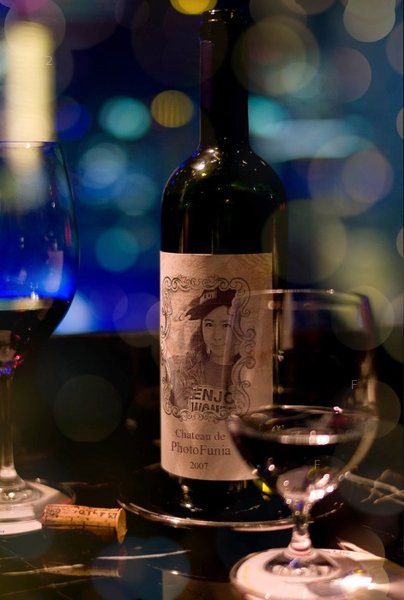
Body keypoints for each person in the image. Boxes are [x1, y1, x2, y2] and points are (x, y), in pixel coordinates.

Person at [169, 287, 240, 412]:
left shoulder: (251, 372)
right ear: (201, 328)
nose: (216, 336)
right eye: (209, 324)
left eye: (226, 325)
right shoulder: (186, 371)